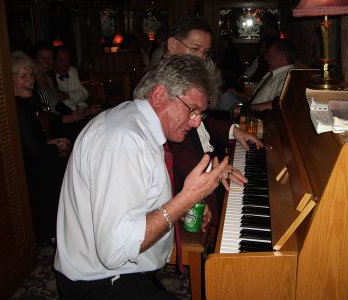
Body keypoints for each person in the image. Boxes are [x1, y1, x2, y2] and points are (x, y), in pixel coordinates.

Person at [54, 55, 240, 299]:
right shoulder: (124, 142)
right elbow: (115, 250)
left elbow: (136, 200)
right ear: (159, 95)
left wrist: (181, 208)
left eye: (200, 114)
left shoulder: (137, 123)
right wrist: (186, 198)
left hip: (127, 273)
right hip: (99, 283)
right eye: (192, 110)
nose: (196, 122)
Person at [165, 15, 263, 229]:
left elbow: (204, 120)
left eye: (205, 53)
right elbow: (173, 149)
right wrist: (213, 170)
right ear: (172, 45)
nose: (201, 59)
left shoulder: (188, 76)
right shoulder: (162, 85)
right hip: (180, 181)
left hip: (205, 158)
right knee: (240, 215)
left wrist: (234, 130)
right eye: (195, 49)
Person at [11, 51, 71, 244]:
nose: (30, 80)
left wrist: (51, 143)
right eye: (22, 76)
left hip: (31, 162)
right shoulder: (18, 107)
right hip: (26, 173)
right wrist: (56, 148)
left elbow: (30, 144)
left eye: (31, 75)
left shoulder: (22, 103)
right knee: (66, 169)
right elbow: (36, 154)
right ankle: (53, 232)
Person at [250, 39, 296, 113]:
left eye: (269, 55)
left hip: (258, 119)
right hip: (251, 113)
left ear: (282, 58)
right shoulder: (275, 74)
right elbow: (255, 99)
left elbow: (279, 103)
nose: (265, 58)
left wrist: (246, 109)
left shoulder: (287, 77)